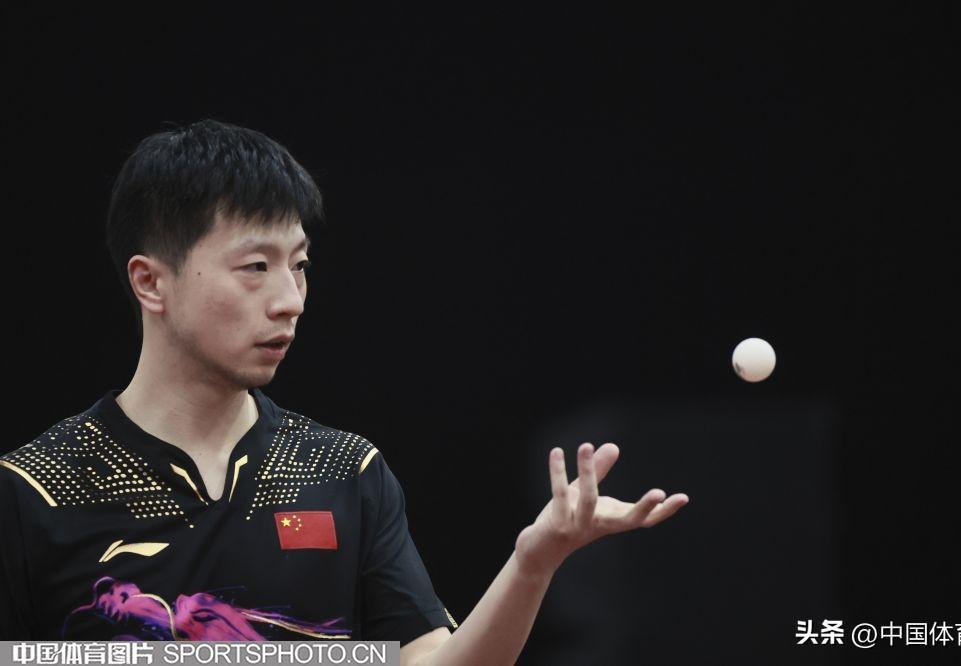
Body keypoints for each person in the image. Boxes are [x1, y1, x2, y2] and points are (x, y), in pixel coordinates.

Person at [0, 120, 689, 665]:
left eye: (299, 265)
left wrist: (533, 563)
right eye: (256, 266)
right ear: (151, 282)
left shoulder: (345, 473)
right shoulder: (34, 493)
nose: (290, 299)